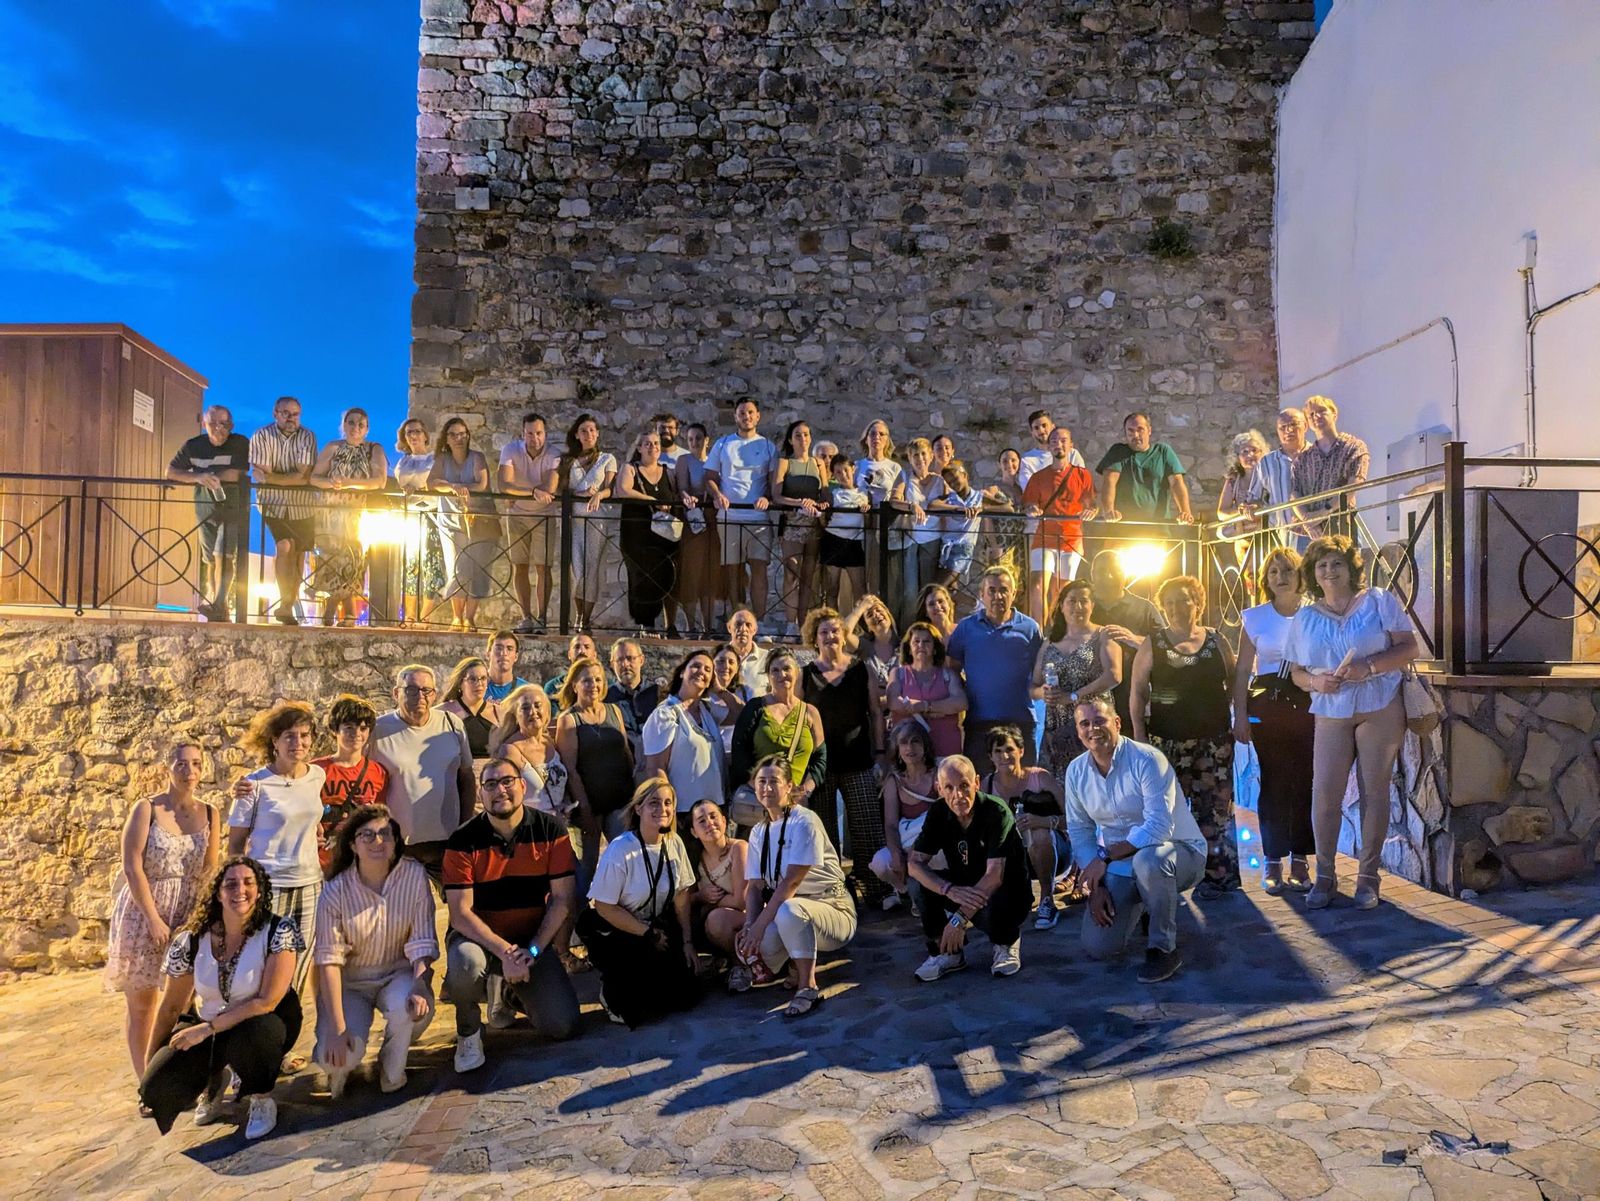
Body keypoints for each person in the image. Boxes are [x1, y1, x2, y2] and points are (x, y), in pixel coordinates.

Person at [1283, 535, 1419, 910]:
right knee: (1324, 794)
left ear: (1350, 567)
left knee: (1374, 792)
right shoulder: (1306, 618)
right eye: (1322, 564)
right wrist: (1316, 682)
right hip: (1330, 709)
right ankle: (1325, 876)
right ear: (1313, 573)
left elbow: (1409, 647)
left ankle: (1368, 879)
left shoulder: (1378, 601)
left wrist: (1370, 667)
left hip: (1379, 702)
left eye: (1337, 563)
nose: (1330, 570)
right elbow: (1296, 673)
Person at [141, 857, 303, 1139]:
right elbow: (170, 1007)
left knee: (255, 1034)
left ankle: (261, 1097)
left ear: (260, 890)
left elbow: (266, 1001)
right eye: (231, 884)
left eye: (248, 882)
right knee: (157, 1083)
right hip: (210, 1023)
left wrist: (207, 1029)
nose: (240, 890)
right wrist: (150, 1066)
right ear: (217, 893)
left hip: (262, 1022)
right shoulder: (192, 940)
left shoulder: (278, 930)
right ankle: (214, 1082)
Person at [442, 761, 580, 1072]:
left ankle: (508, 990)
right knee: (465, 964)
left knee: (563, 1026)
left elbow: (562, 900)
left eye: (507, 781)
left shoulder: (551, 830)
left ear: (523, 786)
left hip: (529, 942)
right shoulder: (463, 840)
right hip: (478, 939)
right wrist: (506, 953)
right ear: (481, 794)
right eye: (490, 784)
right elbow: (461, 914)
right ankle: (469, 1031)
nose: (500, 790)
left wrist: (531, 951)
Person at [1065, 695, 1209, 982]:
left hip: (1177, 853)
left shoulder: (1147, 759)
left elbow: (1158, 827)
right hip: (1121, 865)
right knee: (1098, 947)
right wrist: (1095, 886)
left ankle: (1163, 949)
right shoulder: (1076, 771)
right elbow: (1079, 830)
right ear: (1078, 731)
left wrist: (1104, 858)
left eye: (1100, 721)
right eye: (1084, 724)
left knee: (1150, 861)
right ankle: (1148, 902)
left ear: (1117, 723)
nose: (1093, 729)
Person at [106, 742, 222, 1082]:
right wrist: (154, 918)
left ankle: (178, 1077)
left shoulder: (210, 813)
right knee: (143, 1006)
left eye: (196, 764)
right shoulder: (146, 809)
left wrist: (195, 920)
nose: (189, 771)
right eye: (181, 764)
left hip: (187, 913)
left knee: (183, 1003)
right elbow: (132, 866)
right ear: (167, 767)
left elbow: (210, 869)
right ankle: (147, 1082)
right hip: (144, 914)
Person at [313, 806, 437, 1097]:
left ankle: (392, 1068)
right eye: (366, 835)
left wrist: (421, 984)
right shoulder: (335, 889)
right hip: (350, 983)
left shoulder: (414, 876)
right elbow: (328, 960)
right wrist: (336, 1028)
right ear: (353, 845)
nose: (377, 842)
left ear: (395, 841)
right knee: (338, 1058)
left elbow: (422, 940)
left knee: (411, 1006)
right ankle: (341, 1068)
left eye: (384, 834)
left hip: (397, 973)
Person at [1129, 575, 1239, 895]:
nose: (1177, 608)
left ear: (1198, 603)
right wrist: (1141, 738)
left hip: (1213, 743)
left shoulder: (1217, 641)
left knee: (1215, 814)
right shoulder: (1154, 643)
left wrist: (1228, 713)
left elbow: (1232, 680)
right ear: (1163, 608)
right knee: (1167, 816)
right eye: (1170, 603)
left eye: (1184, 600)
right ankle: (1166, 879)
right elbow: (1137, 693)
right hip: (1168, 744)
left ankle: (1217, 879)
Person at [734, 757, 858, 1015]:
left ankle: (807, 985)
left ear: (789, 786)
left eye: (774, 781)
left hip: (831, 906)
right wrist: (750, 926)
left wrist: (759, 926)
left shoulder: (805, 821)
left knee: (787, 912)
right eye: (762, 781)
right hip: (791, 909)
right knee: (762, 944)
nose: (767, 787)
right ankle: (794, 961)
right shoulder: (758, 831)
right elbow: (755, 886)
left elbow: (791, 882)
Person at [581, 775, 701, 1026]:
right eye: (654, 803)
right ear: (638, 808)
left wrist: (688, 942)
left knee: (685, 997)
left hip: (657, 925)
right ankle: (610, 990)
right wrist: (647, 933)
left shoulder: (674, 842)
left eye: (668, 803)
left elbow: (681, 896)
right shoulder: (620, 849)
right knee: (634, 1010)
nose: (663, 809)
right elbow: (603, 906)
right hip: (622, 930)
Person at [229, 701, 325, 995]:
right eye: (290, 736)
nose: (299, 742)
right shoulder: (253, 785)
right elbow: (234, 846)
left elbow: (310, 817)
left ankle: (286, 1029)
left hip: (309, 884)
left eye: (305, 735)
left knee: (299, 963)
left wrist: (315, 833)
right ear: (274, 740)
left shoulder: (316, 776)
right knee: (262, 965)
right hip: (268, 885)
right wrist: (238, 889)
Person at [1233, 547, 1314, 894]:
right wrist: (1239, 715)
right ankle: (1273, 858)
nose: (1280, 578)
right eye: (1273, 572)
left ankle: (1301, 857)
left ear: (1300, 577)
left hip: (1308, 701)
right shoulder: (1254, 617)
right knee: (1275, 781)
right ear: (1265, 580)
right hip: (1267, 703)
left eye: (1287, 571)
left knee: (1305, 779)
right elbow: (1240, 671)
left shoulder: (1314, 615)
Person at [906, 755, 1029, 981]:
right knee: (917, 884)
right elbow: (914, 864)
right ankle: (947, 952)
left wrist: (958, 919)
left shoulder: (996, 811)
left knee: (998, 892)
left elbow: (994, 875)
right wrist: (947, 889)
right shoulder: (938, 812)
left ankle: (1006, 942)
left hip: (1003, 891)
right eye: (949, 788)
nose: (958, 796)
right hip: (963, 886)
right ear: (939, 789)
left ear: (977, 783)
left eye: (964, 786)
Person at [803, 606, 889, 901]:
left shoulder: (860, 668)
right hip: (820, 766)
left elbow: (876, 713)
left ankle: (876, 887)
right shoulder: (805, 675)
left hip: (859, 759)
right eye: (823, 632)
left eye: (835, 631)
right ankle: (832, 892)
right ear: (815, 639)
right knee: (824, 832)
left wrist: (880, 753)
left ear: (843, 635)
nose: (830, 637)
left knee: (867, 827)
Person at [369, 664, 476, 885]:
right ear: (396, 693)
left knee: (460, 908)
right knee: (402, 914)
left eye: (427, 690)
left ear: (434, 694)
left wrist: (466, 826)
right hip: (400, 845)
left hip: (447, 841)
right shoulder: (377, 731)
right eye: (411, 689)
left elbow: (466, 776)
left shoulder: (451, 724)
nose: (420, 696)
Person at [946, 564, 1042, 775]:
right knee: (980, 785)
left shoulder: (1030, 628)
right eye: (992, 590)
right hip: (980, 723)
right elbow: (952, 668)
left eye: (1004, 590)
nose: (998, 596)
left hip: (1021, 722)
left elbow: (1040, 671)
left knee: (1025, 786)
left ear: (1014, 593)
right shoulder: (966, 627)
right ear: (982, 594)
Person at [982, 726, 1074, 930]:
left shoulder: (1040, 778)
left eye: (1009, 749)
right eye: (998, 751)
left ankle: (1047, 900)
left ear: (1021, 751)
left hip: (1053, 849)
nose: (1004, 756)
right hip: (1011, 855)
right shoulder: (987, 786)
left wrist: (1043, 821)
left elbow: (1075, 820)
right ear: (990, 756)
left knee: (1038, 834)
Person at [553, 657, 636, 881]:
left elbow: (626, 752)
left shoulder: (614, 711)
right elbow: (570, 769)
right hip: (589, 804)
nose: (594, 685)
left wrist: (635, 794)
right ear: (575, 685)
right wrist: (586, 810)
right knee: (587, 868)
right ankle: (579, 912)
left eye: (598, 680)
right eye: (587, 680)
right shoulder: (569, 720)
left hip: (619, 801)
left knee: (627, 859)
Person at [166, 404, 251, 623]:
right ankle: (218, 607)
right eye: (213, 423)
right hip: (204, 508)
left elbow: (238, 472)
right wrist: (197, 478)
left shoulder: (239, 443)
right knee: (211, 560)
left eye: (224, 424)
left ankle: (219, 604)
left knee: (224, 554)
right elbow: (171, 471)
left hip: (232, 507)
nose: (219, 428)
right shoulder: (193, 446)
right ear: (205, 425)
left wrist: (211, 475)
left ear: (231, 426)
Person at [1034, 580, 1123, 777]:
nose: (1078, 607)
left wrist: (1074, 696)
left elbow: (1114, 675)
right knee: (1057, 788)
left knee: (1096, 782)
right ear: (1062, 606)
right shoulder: (1049, 643)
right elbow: (1033, 685)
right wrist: (1044, 693)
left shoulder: (1103, 635)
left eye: (1084, 601)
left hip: (1093, 725)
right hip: (1056, 727)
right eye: (1072, 601)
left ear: (1092, 605)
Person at [309, 406, 388, 626]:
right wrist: (331, 484)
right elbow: (315, 478)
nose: (355, 428)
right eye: (351, 423)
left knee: (353, 560)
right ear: (344, 425)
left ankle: (335, 605)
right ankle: (346, 611)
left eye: (361, 424)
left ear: (367, 429)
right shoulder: (333, 447)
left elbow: (378, 481)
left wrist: (349, 484)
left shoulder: (374, 449)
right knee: (331, 560)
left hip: (356, 512)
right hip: (329, 512)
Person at [705, 397, 778, 629]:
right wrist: (717, 495)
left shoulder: (768, 446)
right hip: (729, 517)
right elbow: (710, 477)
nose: (746, 417)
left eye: (750, 412)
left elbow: (774, 483)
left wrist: (768, 498)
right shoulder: (723, 444)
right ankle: (738, 621)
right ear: (735, 417)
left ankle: (760, 620)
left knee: (759, 569)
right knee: (732, 570)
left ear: (758, 416)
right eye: (742, 413)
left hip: (758, 518)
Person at [249, 396, 318, 625]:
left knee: (299, 552)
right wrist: (290, 478)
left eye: (295, 414)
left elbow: (303, 474)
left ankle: (289, 603)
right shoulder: (261, 435)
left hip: (302, 504)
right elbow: (262, 473)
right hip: (273, 503)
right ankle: (284, 599)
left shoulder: (308, 437)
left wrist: (273, 477)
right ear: (275, 413)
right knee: (284, 545)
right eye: (286, 413)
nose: (291, 418)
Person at [728, 646, 827, 802]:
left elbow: (820, 757)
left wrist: (805, 789)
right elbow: (740, 750)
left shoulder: (810, 712)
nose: (782, 675)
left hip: (796, 800)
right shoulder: (756, 707)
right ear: (768, 676)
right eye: (775, 670)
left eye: (787, 668)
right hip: (760, 800)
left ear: (797, 672)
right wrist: (759, 787)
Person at [1021, 426, 1098, 618]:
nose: (1059, 444)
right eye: (1054, 441)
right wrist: (1031, 509)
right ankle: (1039, 631)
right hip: (1045, 534)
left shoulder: (1082, 475)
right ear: (1049, 446)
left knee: (1062, 589)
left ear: (1071, 445)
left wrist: (1092, 510)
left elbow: (1091, 503)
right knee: (1037, 583)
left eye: (1063, 440)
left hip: (1072, 538)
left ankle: (1056, 630)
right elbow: (1029, 502)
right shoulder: (1038, 478)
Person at [644, 649, 731, 817]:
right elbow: (655, 767)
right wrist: (666, 809)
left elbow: (740, 713)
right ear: (683, 672)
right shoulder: (665, 714)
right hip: (684, 812)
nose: (701, 672)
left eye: (707, 670)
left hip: (714, 810)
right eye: (695, 666)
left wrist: (719, 690)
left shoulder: (708, 711)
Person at [428, 417, 496, 632]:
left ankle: (470, 618)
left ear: (468, 436)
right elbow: (432, 483)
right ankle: (457, 617)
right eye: (453, 434)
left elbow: (481, 483)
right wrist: (452, 486)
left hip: (477, 519)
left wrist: (461, 487)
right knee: (458, 566)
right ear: (446, 439)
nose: (458, 438)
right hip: (450, 520)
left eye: (462, 434)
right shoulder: (442, 459)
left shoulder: (477, 458)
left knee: (477, 567)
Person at [497, 411, 561, 634]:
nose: (535, 438)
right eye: (530, 434)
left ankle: (542, 619)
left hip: (544, 514)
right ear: (522, 434)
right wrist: (532, 491)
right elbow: (504, 485)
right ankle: (526, 618)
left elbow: (550, 488)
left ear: (545, 433)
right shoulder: (510, 450)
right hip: (517, 514)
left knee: (543, 567)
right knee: (519, 565)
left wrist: (519, 491)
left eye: (539, 433)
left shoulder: (554, 453)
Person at [868, 718, 940, 912]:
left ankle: (932, 895)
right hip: (906, 845)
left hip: (934, 846)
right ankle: (906, 890)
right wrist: (895, 853)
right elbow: (891, 825)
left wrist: (918, 850)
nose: (910, 747)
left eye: (915, 741)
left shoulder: (938, 776)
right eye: (903, 742)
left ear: (925, 745)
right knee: (880, 863)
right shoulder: (894, 781)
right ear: (897, 749)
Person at [312, 694, 389, 873]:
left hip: (362, 864)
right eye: (349, 727)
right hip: (322, 863)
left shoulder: (378, 772)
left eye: (363, 728)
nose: (357, 734)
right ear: (334, 730)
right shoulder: (316, 771)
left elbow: (381, 818)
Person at [1088, 550, 1165, 727]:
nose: (1107, 576)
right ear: (1092, 575)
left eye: (1113, 570)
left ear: (1125, 574)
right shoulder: (1081, 607)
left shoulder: (1144, 608)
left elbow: (1166, 647)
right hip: (1090, 703)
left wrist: (1135, 639)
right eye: (1100, 571)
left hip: (1134, 702)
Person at [615, 429, 681, 634]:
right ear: (639, 448)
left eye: (656, 444)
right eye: (648, 444)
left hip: (661, 537)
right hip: (636, 534)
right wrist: (652, 501)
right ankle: (645, 624)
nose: (653, 447)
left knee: (661, 576)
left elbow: (677, 495)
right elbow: (623, 490)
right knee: (639, 576)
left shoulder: (668, 472)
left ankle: (663, 625)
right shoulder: (630, 469)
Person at [559, 413, 619, 633]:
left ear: (598, 433)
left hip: (596, 520)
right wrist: (579, 492)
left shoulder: (607, 459)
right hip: (574, 520)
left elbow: (611, 488)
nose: (589, 434)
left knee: (592, 568)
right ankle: (576, 614)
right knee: (576, 568)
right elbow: (562, 489)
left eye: (592, 430)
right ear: (577, 434)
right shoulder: (568, 461)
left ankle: (585, 619)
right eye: (584, 430)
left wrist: (599, 495)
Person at [773, 419, 826, 639]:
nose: (802, 439)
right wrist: (799, 502)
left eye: (806, 434)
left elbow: (824, 492)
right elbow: (776, 495)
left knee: (808, 576)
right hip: (793, 522)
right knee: (791, 572)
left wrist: (823, 504)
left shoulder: (818, 463)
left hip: (813, 524)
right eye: (797, 435)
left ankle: (804, 625)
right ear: (790, 439)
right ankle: (790, 624)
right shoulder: (785, 462)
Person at [886, 621, 967, 760]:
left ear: (935, 648)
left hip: (945, 751)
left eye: (926, 642)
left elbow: (961, 703)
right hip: (910, 756)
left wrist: (924, 706)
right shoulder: (898, 674)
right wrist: (941, 709)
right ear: (909, 648)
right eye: (916, 641)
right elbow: (894, 702)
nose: (921, 645)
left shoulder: (948, 675)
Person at [1291, 395, 1370, 538]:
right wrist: (1307, 520)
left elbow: (1354, 485)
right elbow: (1294, 493)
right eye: (1311, 415)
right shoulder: (1302, 459)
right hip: (1307, 533)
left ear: (1334, 414)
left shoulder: (1354, 447)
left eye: (1322, 411)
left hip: (1341, 525)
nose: (1317, 416)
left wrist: (1323, 513)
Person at [1095, 412, 1193, 524]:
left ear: (1149, 430)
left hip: (1158, 526)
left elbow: (1176, 482)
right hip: (1122, 526)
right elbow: (1109, 482)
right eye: (1130, 431)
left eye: (1140, 429)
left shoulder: (1163, 452)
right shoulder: (1117, 452)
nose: (1135, 435)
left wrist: (1185, 512)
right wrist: (1109, 511)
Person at [489, 684, 570, 818]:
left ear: (547, 711)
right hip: (530, 828)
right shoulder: (510, 750)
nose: (533, 712)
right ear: (516, 715)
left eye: (538, 705)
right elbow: (504, 796)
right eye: (525, 708)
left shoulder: (550, 743)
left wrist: (565, 804)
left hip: (557, 826)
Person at [393, 417, 443, 619]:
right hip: (410, 514)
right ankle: (410, 615)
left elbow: (437, 482)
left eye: (416, 431)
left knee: (431, 563)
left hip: (430, 513)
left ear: (425, 435)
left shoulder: (435, 460)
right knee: (410, 563)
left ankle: (426, 616)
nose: (413, 436)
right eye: (409, 432)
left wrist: (420, 488)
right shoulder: (403, 461)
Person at [895, 437, 947, 628]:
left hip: (933, 538)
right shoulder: (905, 477)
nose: (920, 458)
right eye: (915, 455)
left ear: (931, 456)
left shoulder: (940, 481)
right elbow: (893, 500)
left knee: (928, 589)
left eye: (924, 454)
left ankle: (928, 630)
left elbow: (954, 500)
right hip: (910, 538)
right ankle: (907, 631)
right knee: (909, 590)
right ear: (909, 458)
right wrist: (911, 505)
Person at [687, 797, 747, 958]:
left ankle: (741, 965)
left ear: (724, 821)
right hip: (713, 926)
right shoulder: (694, 861)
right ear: (694, 832)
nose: (710, 823)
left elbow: (741, 901)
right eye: (702, 820)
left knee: (716, 920)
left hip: (748, 918)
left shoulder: (739, 848)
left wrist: (708, 904)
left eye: (714, 816)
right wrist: (700, 896)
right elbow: (687, 900)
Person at [673, 421, 718, 638]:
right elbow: (682, 487)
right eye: (690, 439)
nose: (694, 443)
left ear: (706, 440)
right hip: (693, 518)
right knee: (692, 571)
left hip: (713, 518)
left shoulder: (715, 461)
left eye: (698, 438)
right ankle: (691, 627)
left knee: (710, 571)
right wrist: (687, 498)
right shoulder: (684, 460)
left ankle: (708, 627)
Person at [854, 419, 904, 603]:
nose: (877, 437)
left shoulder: (895, 468)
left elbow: (897, 496)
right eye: (872, 433)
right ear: (866, 439)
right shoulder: (856, 466)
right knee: (863, 575)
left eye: (881, 434)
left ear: (887, 440)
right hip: (862, 524)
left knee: (885, 574)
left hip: (886, 525)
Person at [1248, 407, 1308, 547]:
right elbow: (1253, 497)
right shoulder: (1266, 463)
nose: (1288, 430)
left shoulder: (1316, 455)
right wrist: (1251, 507)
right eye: (1283, 427)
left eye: (1294, 424)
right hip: (1280, 537)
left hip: (1313, 533)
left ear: (1305, 426)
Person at [821, 450, 869, 609]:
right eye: (838, 472)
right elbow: (824, 516)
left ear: (853, 469)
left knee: (860, 588)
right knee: (832, 589)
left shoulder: (864, 493)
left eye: (846, 470)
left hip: (855, 542)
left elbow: (869, 521)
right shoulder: (833, 494)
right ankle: (832, 622)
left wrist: (866, 511)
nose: (843, 475)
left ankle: (862, 627)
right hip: (834, 540)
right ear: (834, 475)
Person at [931, 460, 984, 595]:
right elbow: (933, 505)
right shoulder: (950, 498)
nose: (953, 484)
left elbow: (1006, 507)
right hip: (946, 547)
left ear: (965, 475)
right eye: (950, 483)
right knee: (949, 591)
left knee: (936, 589)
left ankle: (975, 605)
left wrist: (983, 508)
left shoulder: (979, 497)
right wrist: (958, 508)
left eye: (955, 479)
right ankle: (971, 606)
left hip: (962, 549)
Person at [843, 593, 900, 715]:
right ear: (867, 627)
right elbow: (843, 633)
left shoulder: (905, 643)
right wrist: (861, 608)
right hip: (873, 713)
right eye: (869, 615)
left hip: (901, 713)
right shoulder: (865, 647)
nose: (876, 615)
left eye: (879, 610)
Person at [439, 655, 501, 765]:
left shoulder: (500, 713)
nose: (479, 684)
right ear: (460, 683)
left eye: (483, 678)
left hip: (491, 776)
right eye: (472, 679)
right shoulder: (442, 712)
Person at [606, 637, 662, 751]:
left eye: (630, 658)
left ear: (641, 660)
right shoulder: (605, 698)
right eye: (619, 660)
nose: (625, 664)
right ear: (612, 664)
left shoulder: (658, 694)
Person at [979, 447, 1027, 581]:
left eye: (1013, 460)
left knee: (1017, 584)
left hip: (1018, 543)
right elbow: (986, 515)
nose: (1009, 464)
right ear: (999, 465)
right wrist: (994, 544)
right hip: (1000, 542)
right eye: (1005, 461)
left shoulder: (1023, 490)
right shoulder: (994, 489)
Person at [1216, 429, 1269, 545]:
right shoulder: (1233, 480)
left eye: (1254, 450)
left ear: (1262, 453)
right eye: (1245, 452)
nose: (1250, 455)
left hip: (1266, 533)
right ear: (1238, 458)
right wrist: (1241, 511)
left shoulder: (1269, 475)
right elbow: (1221, 513)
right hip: (1242, 534)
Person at [1017, 409, 1088, 491]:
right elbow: (1030, 490)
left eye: (1044, 425)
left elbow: (1081, 482)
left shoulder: (1071, 453)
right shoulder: (1027, 460)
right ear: (1032, 432)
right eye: (1036, 428)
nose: (1041, 431)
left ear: (1053, 427)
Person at [707, 643, 751, 752]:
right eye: (720, 661)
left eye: (731, 662)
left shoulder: (746, 692)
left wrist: (721, 691)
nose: (726, 666)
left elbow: (745, 716)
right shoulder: (702, 694)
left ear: (737, 668)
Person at [725, 608, 769, 698]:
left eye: (748, 625)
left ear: (755, 630)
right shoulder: (719, 658)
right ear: (729, 628)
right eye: (738, 624)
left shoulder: (767, 658)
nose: (743, 629)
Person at [544, 631, 599, 696]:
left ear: (594, 655)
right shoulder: (553, 687)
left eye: (587, 647)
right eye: (577, 647)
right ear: (569, 654)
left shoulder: (604, 686)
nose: (582, 651)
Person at [484, 629, 531, 703]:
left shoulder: (525, 690)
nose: (504, 653)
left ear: (516, 656)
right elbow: (459, 711)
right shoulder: (474, 686)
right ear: (488, 653)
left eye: (509, 649)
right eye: (499, 648)